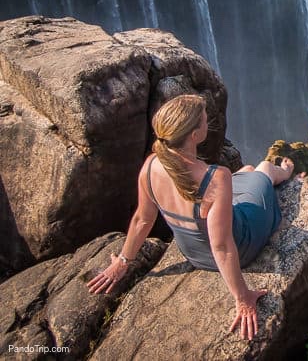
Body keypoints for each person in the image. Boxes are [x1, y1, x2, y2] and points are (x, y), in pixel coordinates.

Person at [87, 94, 293, 341]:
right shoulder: (215, 177)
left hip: (194, 254)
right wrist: (243, 298)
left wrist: (123, 261)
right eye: (205, 121)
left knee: (244, 174)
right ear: (194, 135)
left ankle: (250, 174)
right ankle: (284, 171)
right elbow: (223, 247)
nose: (209, 123)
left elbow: (142, 219)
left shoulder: (151, 166)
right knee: (264, 170)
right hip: (243, 244)